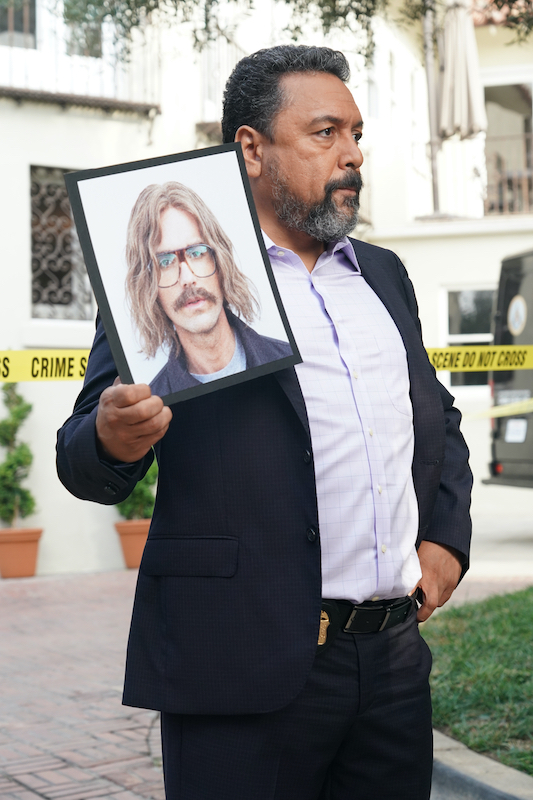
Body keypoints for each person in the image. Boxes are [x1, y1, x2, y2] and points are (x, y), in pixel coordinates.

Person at [57, 45, 473, 800]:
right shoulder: (179, 280)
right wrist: (113, 436)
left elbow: (435, 417)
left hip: (391, 667)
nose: (351, 154)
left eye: (355, 134)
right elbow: (83, 456)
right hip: (238, 665)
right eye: (325, 133)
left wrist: (446, 540)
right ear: (251, 149)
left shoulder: (383, 275)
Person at [125, 181, 292, 396]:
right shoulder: (155, 404)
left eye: (196, 253)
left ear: (220, 262)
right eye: (164, 262)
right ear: (149, 288)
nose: (187, 279)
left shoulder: (288, 362)